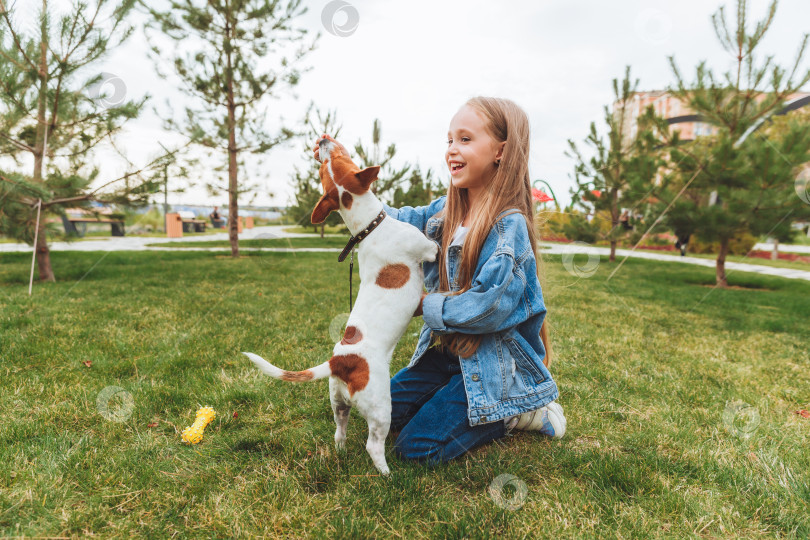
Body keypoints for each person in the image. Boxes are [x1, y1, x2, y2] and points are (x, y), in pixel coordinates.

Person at [313, 96, 566, 467]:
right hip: (446, 355)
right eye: (449, 140)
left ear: (501, 150)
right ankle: (450, 395)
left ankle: (520, 412)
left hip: (492, 367)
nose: (452, 149)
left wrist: (422, 305)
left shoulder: (509, 226)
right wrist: (344, 172)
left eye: (465, 139)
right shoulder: (442, 212)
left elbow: (488, 307)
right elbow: (386, 219)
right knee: (381, 411)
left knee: (416, 449)